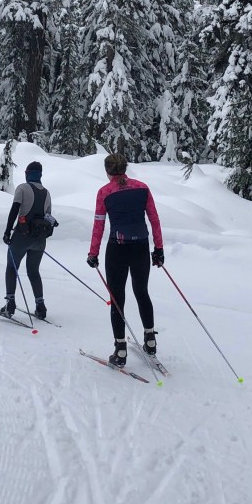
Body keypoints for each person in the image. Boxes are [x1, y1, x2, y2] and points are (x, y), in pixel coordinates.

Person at [86, 153, 164, 367]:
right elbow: (154, 219)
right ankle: (150, 339)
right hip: (140, 246)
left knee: (117, 298)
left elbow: (98, 225)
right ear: (125, 168)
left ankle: (120, 350)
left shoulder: (104, 193)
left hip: (117, 249)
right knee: (142, 292)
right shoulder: (142, 187)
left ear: (107, 171)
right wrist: (158, 248)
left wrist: (93, 253)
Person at [1, 161, 55, 319]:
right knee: (33, 271)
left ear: (27, 173)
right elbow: (48, 216)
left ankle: (10, 304)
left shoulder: (22, 188)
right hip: (39, 240)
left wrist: (7, 232)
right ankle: (40, 306)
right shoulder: (47, 192)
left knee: (12, 268)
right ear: (40, 175)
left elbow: (15, 210)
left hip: (21, 237)